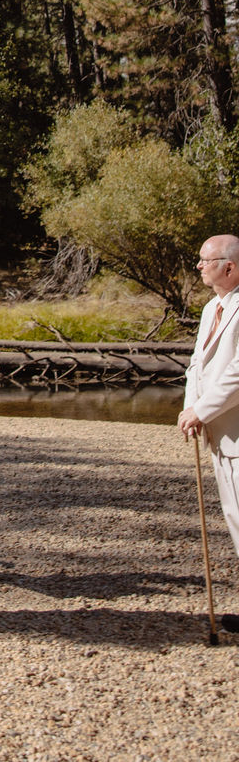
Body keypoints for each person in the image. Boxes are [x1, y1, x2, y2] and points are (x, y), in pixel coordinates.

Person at [178, 233, 239, 632]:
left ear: (230, 266)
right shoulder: (210, 309)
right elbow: (198, 365)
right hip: (220, 436)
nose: (199, 266)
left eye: (205, 260)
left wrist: (202, 408)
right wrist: (190, 407)